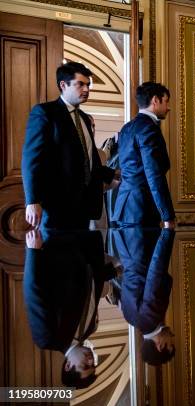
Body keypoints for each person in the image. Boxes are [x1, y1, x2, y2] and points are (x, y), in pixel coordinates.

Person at [22, 62, 118, 229]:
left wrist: (114, 173)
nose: (87, 89)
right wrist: (32, 201)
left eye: (88, 84)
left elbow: (88, 160)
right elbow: (32, 159)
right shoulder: (45, 113)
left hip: (85, 206)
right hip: (56, 207)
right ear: (63, 85)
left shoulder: (85, 119)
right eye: (80, 84)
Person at [24, 229, 118, 389]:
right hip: (83, 243)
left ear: (68, 366)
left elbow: (33, 293)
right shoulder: (90, 330)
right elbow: (90, 290)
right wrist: (114, 272)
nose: (91, 360)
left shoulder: (47, 339)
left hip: (57, 246)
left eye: (85, 366)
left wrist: (33, 252)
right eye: (93, 364)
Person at [112, 82, 176, 228]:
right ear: (155, 100)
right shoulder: (149, 128)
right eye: (166, 101)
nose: (168, 107)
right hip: (142, 208)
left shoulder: (127, 127)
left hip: (124, 207)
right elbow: (153, 174)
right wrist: (167, 215)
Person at [113, 227, 176, 365]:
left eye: (170, 343)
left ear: (159, 346)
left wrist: (167, 233)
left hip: (141, 241)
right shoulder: (130, 319)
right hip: (125, 247)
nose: (172, 337)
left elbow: (156, 272)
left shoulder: (152, 317)